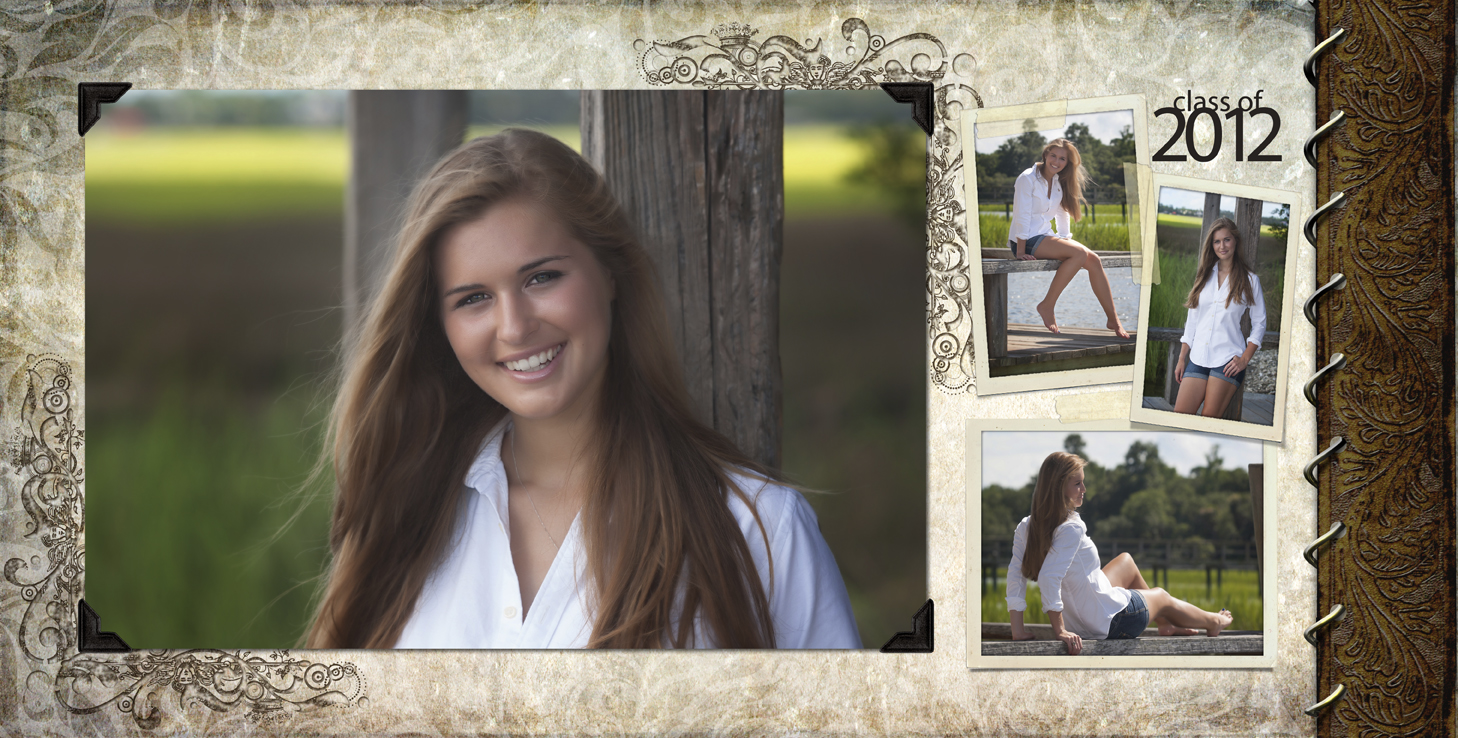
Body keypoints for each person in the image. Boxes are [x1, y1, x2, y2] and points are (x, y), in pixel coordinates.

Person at [305, 129, 859, 649]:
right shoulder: (407, 515)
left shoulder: (758, 531)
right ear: (438, 326)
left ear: (610, 273)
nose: (515, 327)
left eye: (541, 277)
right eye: (473, 298)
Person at [1006, 452, 1233, 655]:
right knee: (1162, 596)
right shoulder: (1071, 527)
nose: (1084, 490)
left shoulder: (1026, 527)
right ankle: (1214, 621)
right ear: (1058, 488)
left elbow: (1016, 575)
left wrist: (1018, 631)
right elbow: (1048, 577)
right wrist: (1061, 631)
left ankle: (1166, 624)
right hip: (1115, 622)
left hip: (1083, 621)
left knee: (1126, 561)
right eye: (1077, 484)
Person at [1008, 138, 1129, 338]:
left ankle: (1113, 319)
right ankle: (1047, 306)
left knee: (1094, 260)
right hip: (1025, 240)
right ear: (1045, 154)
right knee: (1080, 254)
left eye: (1062, 158)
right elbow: (1022, 214)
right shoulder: (1027, 178)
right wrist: (1020, 250)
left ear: (1067, 162)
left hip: (1044, 236)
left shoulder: (1057, 181)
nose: (1056, 161)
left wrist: (1065, 240)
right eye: (1053, 155)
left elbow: (1062, 213)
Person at [1172, 217, 1267, 418]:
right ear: (1211, 244)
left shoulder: (1250, 280)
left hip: (1227, 359)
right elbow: (1193, 320)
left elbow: (1259, 322)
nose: (1222, 246)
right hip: (1197, 357)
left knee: (1208, 420)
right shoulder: (1204, 276)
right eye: (1217, 241)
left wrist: (1244, 359)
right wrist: (1182, 358)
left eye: (1227, 240)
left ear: (1235, 241)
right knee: (1179, 417)